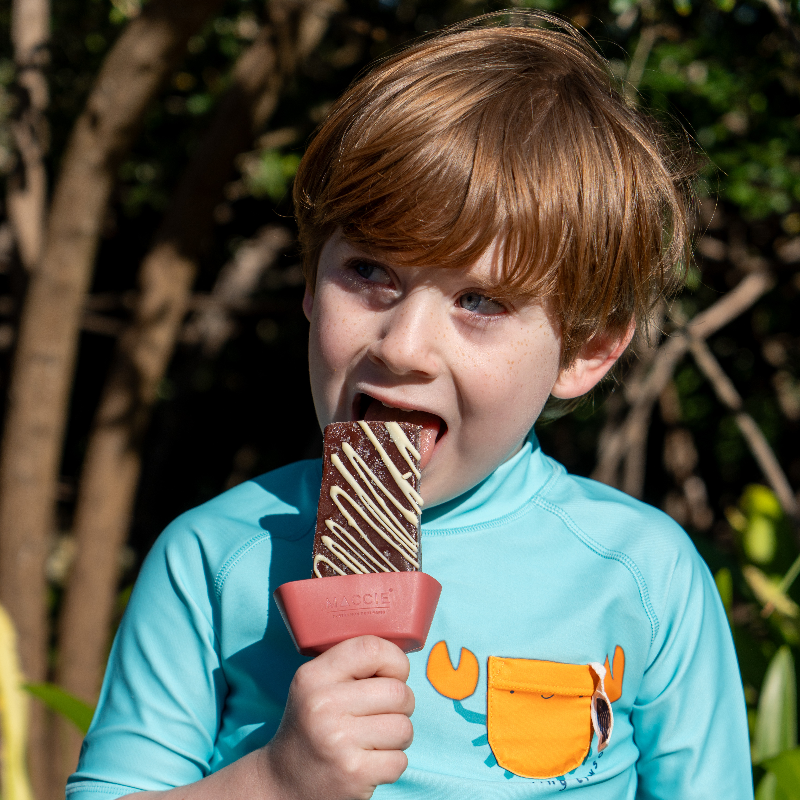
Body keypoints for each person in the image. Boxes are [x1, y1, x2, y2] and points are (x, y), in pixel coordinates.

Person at [66, 11, 753, 800]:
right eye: (368, 272)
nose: (402, 346)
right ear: (308, 285)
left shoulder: (642, 575)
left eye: (481, 299)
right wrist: (274, 782)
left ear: (585, 351)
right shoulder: (213, 556)